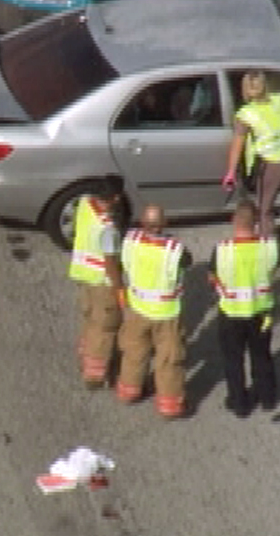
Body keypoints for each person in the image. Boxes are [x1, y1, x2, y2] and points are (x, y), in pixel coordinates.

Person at [115, 204, 192, 419]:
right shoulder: (174, 250)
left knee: (134, 351)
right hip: (166, 313)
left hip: (138, 308)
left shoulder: (130, 241)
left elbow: (123, 264)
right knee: (169, 359)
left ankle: (129, 391)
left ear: (142, 222)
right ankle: (170, 405)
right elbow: (188, 261)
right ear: (164, 224)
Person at [208, 200, 280, 418]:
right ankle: (267, 398)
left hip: (231, 314)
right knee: (262, 356)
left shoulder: (222, 250)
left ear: (233, 221)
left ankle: (239, 403)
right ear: (256, 222)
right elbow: (273, 268)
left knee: (233, 360)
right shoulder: (269, 246)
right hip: (261, 313)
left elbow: (212, 277)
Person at [222, 71, 280, 244]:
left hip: (275, 164)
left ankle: (268, 245)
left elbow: (237, 145)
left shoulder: (246, 114)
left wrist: (231, 172)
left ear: (245, 89)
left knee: (265, 207)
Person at [67, 176, 126, 389]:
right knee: (105, 328)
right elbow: (110, 262)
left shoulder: (84, 204)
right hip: (102, 281)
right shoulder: (107, 228)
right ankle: (94, 375)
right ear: (116, 198)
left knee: (90, 320)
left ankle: (84, 358)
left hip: (83, 275)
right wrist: (120, 289)